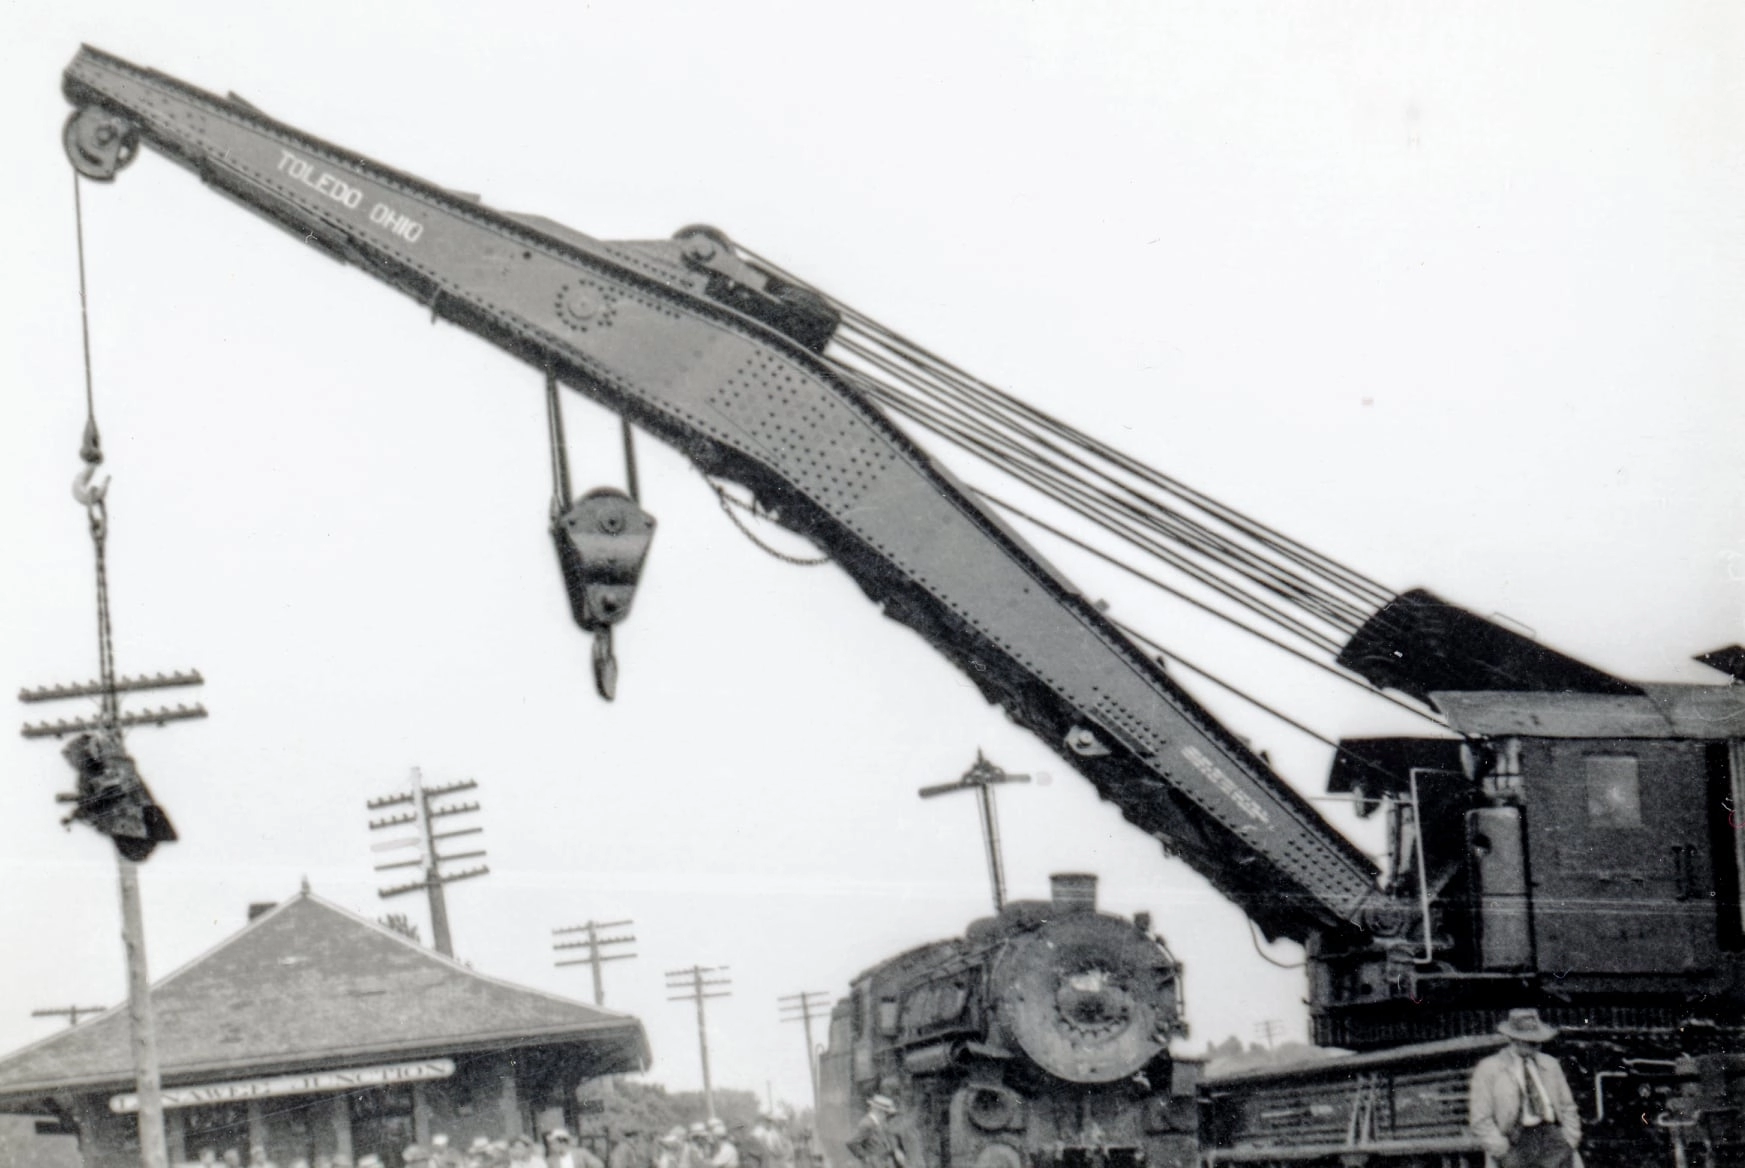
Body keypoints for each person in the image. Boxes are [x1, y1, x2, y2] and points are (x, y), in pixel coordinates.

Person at [1469, 1009, 1582, 1168]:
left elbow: (1567, 1106)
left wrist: (1570, 1139)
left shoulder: (1550, 1064)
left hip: (1553, 1138)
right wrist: (1502, 1150)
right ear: (1512, 1039)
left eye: (1538, 1041)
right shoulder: (1489, 1069)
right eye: (1530, 1041)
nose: (1536, 1046)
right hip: (1515, 1142)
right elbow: (1480, 1119)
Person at [845, 1096, 905, 1168]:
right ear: (879, 1111)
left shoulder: (876, 1123)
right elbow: (851, 1142)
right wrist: (866, 1158)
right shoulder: (867, 1124)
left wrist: (894, 1151)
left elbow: (880, 1144)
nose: (887, 1117)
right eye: (886, 1114)